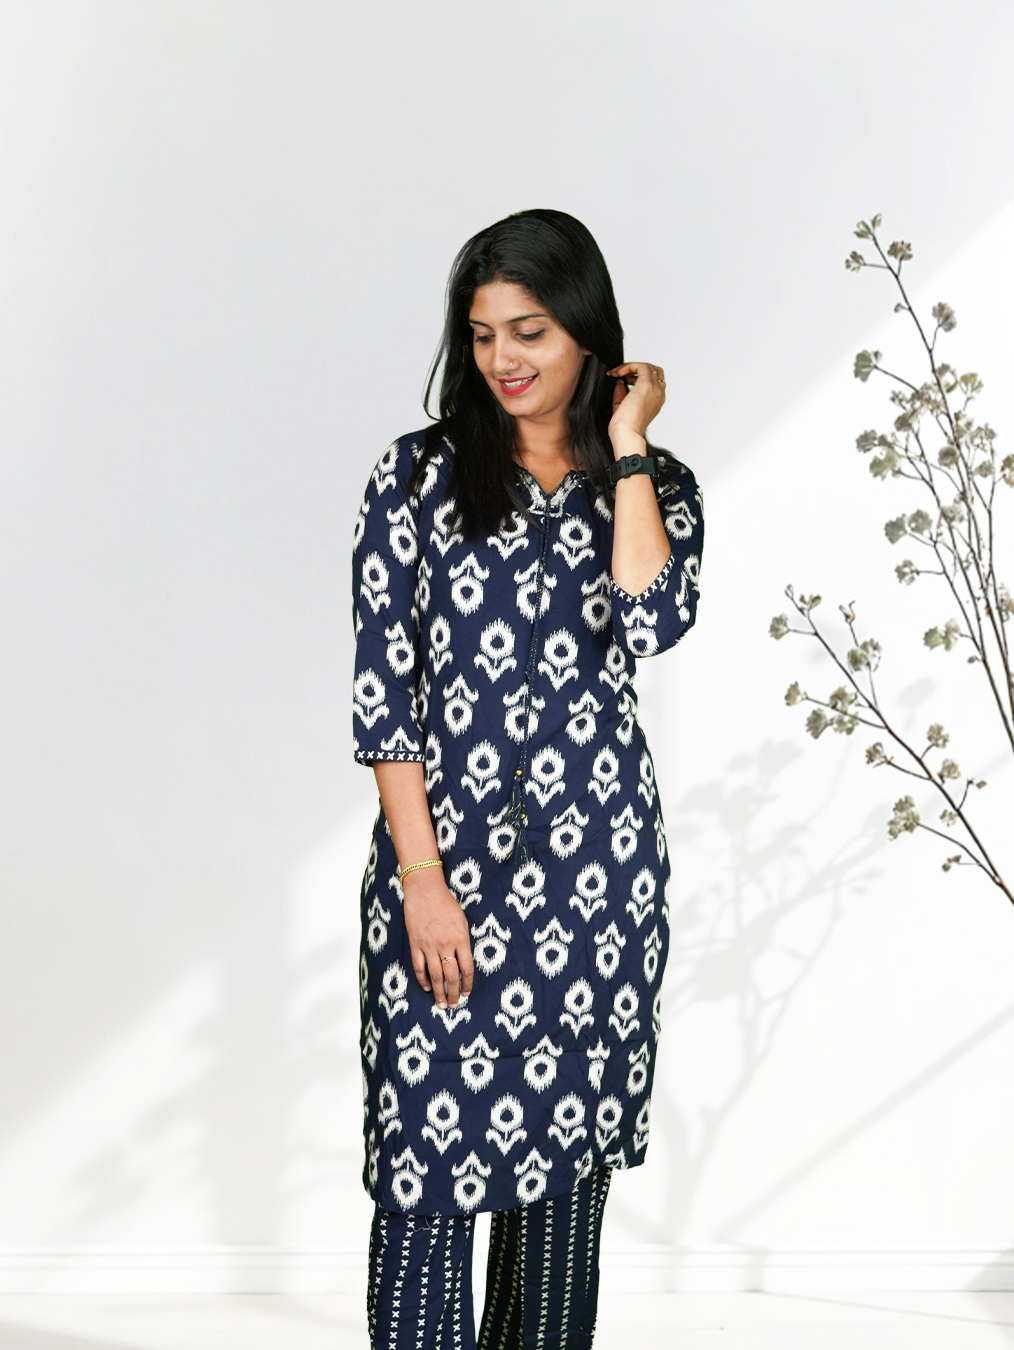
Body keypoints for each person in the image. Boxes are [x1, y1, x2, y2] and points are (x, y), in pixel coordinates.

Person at [351, 208, 704, 1348]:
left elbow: (653, 622)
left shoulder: (653, 485)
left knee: (561, 1197)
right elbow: (383, 700)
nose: (503, 358)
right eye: (484, 333)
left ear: (587, 332)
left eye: (531, 331)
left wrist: (630, 446)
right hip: (445, 872)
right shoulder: (415, 477)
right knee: (426, 1176)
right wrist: (422, 880)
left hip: (597, 880)